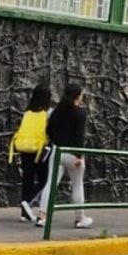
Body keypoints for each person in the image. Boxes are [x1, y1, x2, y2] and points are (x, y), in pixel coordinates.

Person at [36, 82, 93, 229]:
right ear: (77, 96)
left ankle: (42, 216)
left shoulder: (56, 112)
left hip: (58, 151)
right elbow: (80, 136)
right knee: (77, 185)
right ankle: (80, 218)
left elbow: (49, 131)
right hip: (74, 154)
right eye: (81, 95)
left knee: (51, 183)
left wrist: (57, 142)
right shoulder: (80, 113)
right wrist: (80, 156)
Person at [10, 83, 51, 223]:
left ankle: (24, 212)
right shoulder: (47, 113)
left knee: (27, 178)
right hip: (40, 150)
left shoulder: (27, 113)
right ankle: (29, 202)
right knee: (44, 180)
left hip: (25, 148)